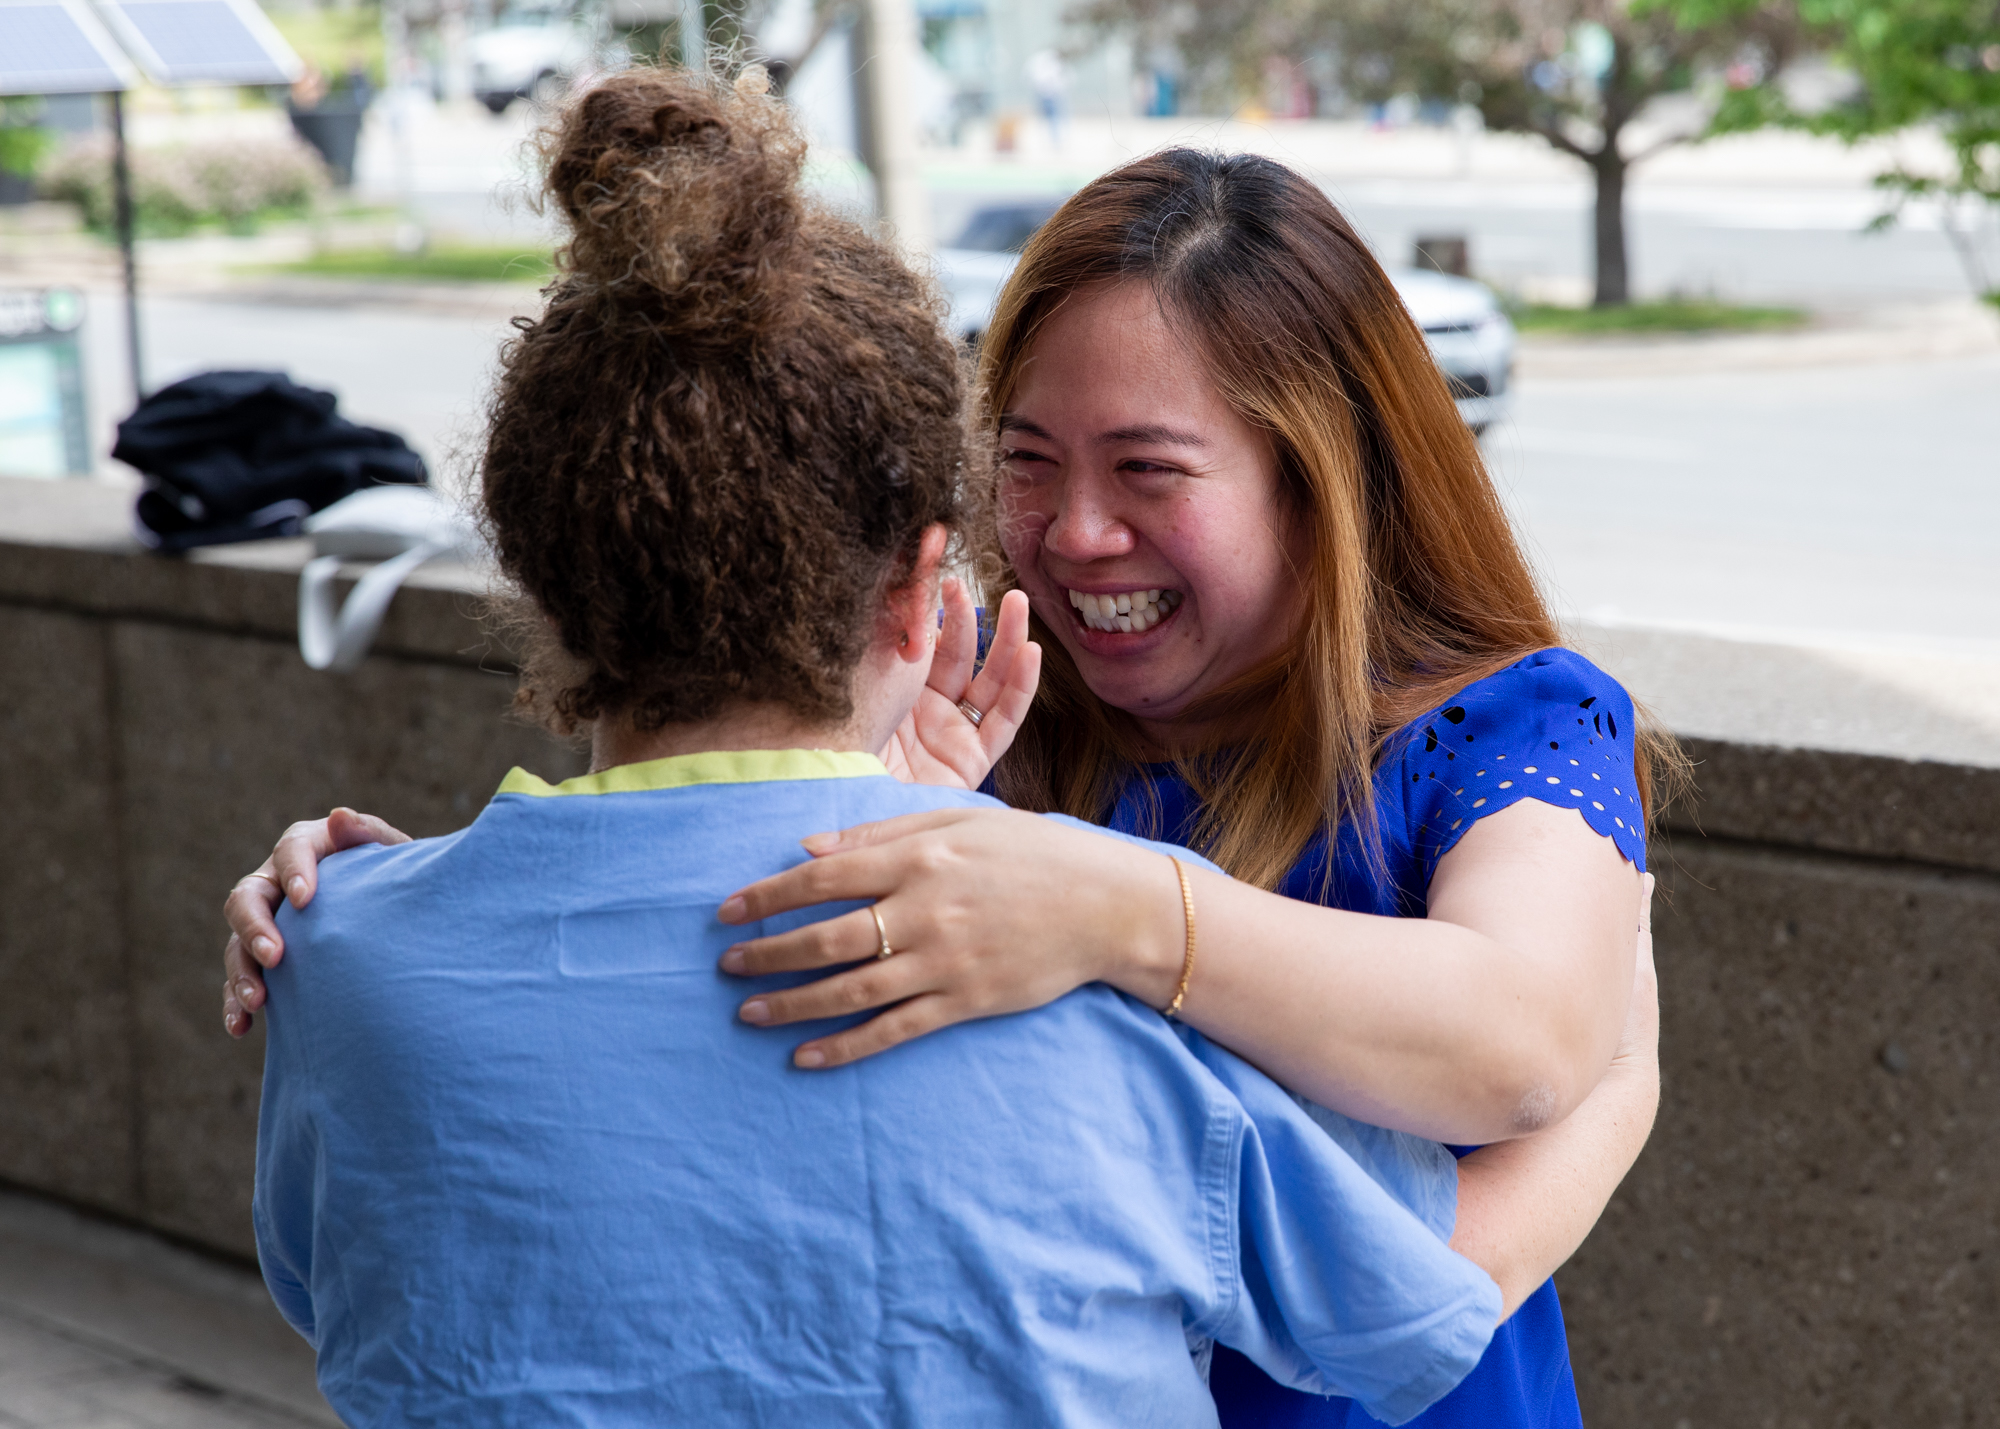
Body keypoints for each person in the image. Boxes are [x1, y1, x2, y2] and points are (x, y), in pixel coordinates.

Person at [223, 107, 1667, 1429]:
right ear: (928, 565)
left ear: (1329, 474)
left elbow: (1519, 1044)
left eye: (1149, 469)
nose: (1075, 530)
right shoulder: (991, 740)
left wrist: (1115, 908)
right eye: (1026, 460)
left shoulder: (1511, 726)